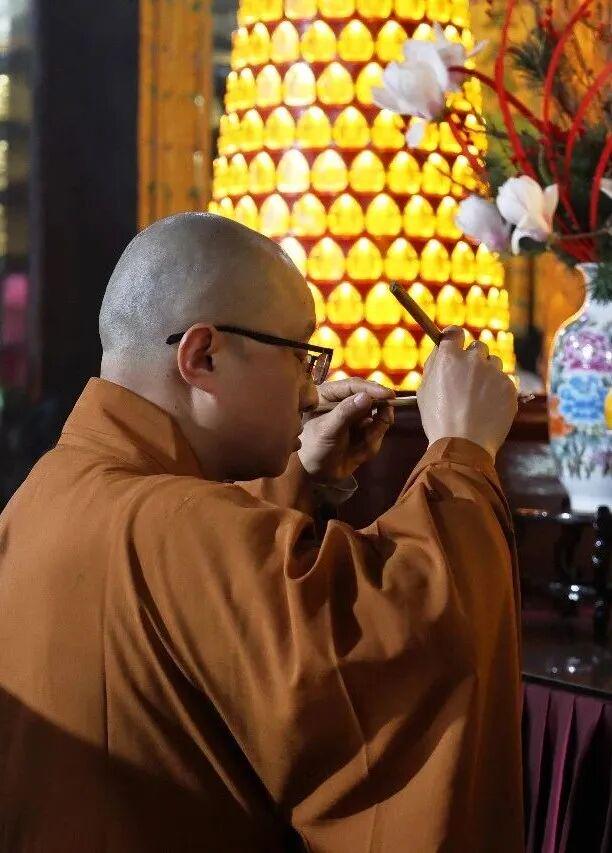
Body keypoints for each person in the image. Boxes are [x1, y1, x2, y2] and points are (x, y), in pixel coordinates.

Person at [0, 213, 522, 852]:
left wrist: (304, 476)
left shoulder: (45, 492)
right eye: (301, 355)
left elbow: (201, 582)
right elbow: (406, 629)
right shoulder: (176, 526)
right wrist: (462, 449)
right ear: (203, 355)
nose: (311, 391)